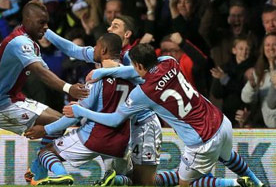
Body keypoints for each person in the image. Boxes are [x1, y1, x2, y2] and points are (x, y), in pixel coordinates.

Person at [64, 44, 265, 187]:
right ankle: (256, 183)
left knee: (185, 183)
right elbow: (137, 71)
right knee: (228, 157)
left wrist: (81, 111)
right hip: (221, 122)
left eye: (134, 66)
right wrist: (105, 73)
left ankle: (235, 184)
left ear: (140, 66)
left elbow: (115, 119)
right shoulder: (170, 61)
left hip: (201, 140)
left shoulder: (142, 93)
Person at [44, 16, 161, 186]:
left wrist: (104, 72)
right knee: (131, 178)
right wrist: (46, 32)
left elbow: (149, 76)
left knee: (143, 182)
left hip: (143, 123)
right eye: (109, 25)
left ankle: (195, 180)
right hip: (120, 126)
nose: (109, 29)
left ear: (126, 34)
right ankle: (119, 180)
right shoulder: (103, 54)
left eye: (115, 26)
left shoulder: (131, 57)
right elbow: (72, 49)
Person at [0, 0, 89, 185]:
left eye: (47, 22)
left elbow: (45, 72)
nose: (46, 27)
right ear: (27, 20)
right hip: (0, 105)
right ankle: (51, 173)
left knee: (60, 121)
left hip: (14, 99)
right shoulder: (20, 42)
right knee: (58, 122)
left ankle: (36, 173)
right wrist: (68, 88)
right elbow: (40, 72)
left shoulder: (31, 43)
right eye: (41, 22)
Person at [24, 33, 134, 186]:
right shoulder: (132, 75)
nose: (94, 49)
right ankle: (115, 180)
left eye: (96, 46)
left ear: (104, 50)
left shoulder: (96, 78)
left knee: (46, 152)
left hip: (95, 136)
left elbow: (74, 115)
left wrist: (45, 129)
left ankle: (62, 176)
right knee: (129, 179)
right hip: (121, 141)